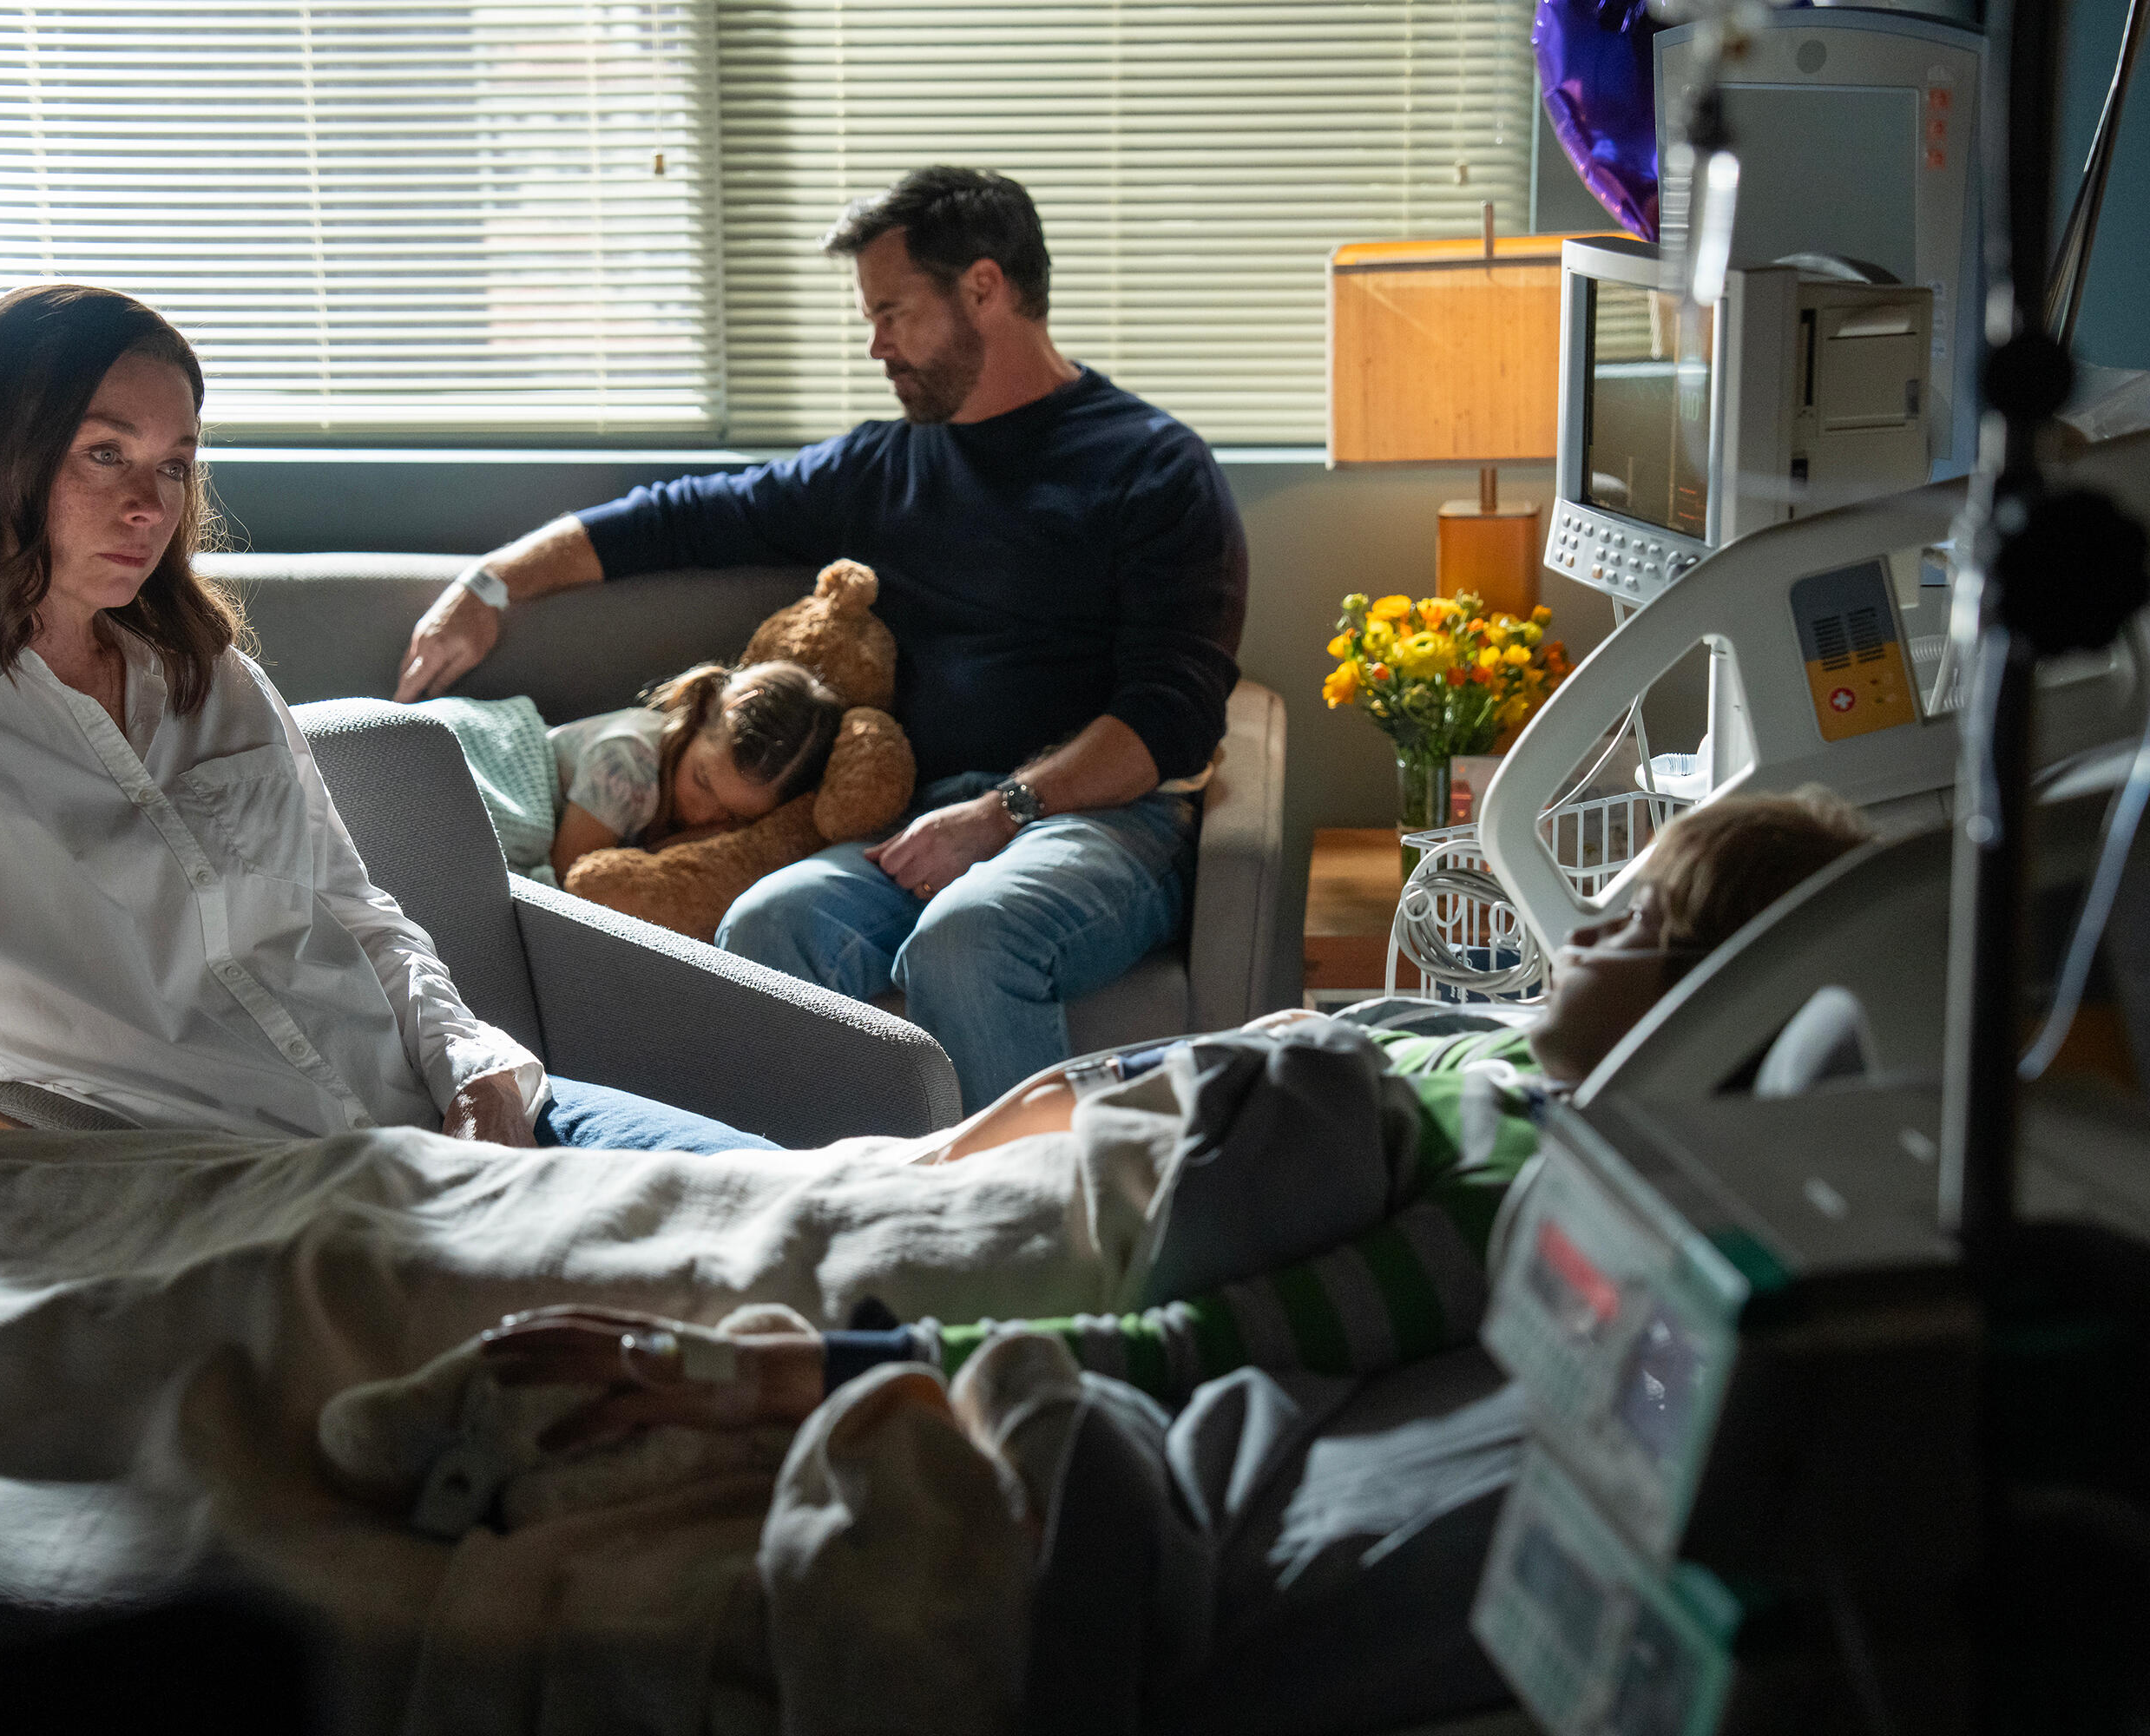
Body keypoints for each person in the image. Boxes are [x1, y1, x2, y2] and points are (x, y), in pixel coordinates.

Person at [472, 789, 1875, 1438]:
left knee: (527, 1185)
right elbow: (1184, 1066)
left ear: (1717, 1009)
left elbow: (1204, 1341)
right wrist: (973, 1131)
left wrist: (777, 1375)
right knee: (545, 1115)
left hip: (1005, 1259)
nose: (1587, 931)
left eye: (1636, 929)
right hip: (964, 1173)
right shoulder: (1465, 1040)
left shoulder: (1524, 1195)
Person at [0, 283, 772, 1180]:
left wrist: (474, 1066)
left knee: (794, 1191)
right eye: (105, 453)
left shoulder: (210, 677)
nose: (149, 505)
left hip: (452, 1108)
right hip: (262, 1182)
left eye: (175, 464)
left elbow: (358, 912)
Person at [391, 166, 1250, 1113]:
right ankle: (819, 1226)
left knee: (969, 934)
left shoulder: (1153, 468)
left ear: (984, 288)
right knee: (764, 926)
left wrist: (1001, 811)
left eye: (892, 312)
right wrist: (490, 583)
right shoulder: (882, 467)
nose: (875, 343)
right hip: (910, 824)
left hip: (1095, 824)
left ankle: (1042, 1239)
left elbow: (1168, 716)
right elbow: (682, 517)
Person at [545, 660, 843, 879]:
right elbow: (569, 887)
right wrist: (668, 851)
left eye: (734, 816)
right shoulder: (626, 762)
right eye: (703, 782)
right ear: (702, 713)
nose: (703, 817)